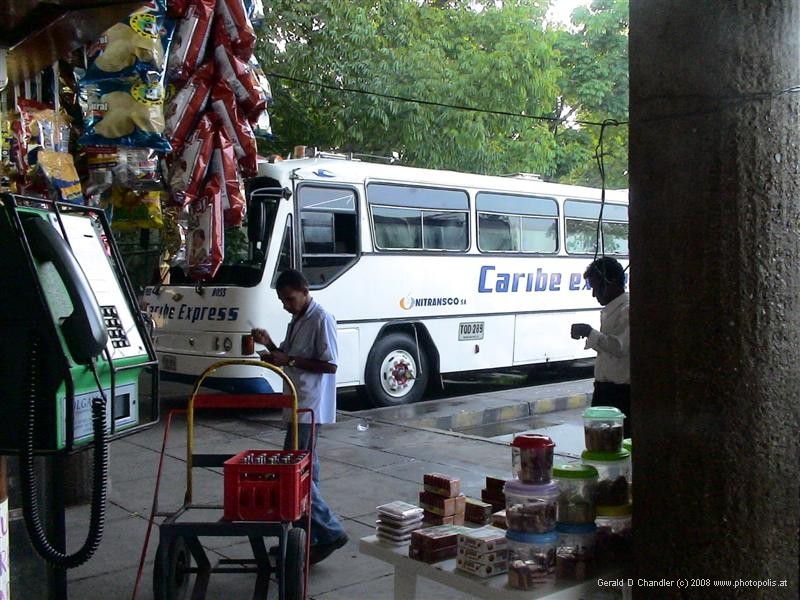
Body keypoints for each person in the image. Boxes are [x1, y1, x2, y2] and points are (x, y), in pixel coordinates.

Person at [251, 269, 348, 564]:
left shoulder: (321, 319)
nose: (286, 305)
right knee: (306, 473)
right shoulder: (298, 319)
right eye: (282, 301)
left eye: (289, 299)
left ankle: (329, 530)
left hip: (310, 407)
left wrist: (288, 359)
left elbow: (330, 365)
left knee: (293, 473)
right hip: (296, 403)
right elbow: (288, 358)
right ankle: (309, 538)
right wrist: (270, 346)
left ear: (305, 291)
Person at [570, 256, 631, 437]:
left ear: (610, 283)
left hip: (620, 394)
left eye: (596, 288)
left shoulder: (626, 309)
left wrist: (590, 332)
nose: (594, 294)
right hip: (604, 390)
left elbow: (619, 348)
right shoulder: (611, 310)